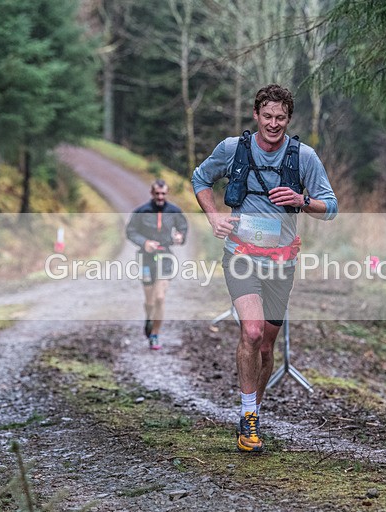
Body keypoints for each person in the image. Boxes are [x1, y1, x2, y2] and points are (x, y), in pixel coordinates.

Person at [191, 84, 338, 452]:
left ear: (289, 119)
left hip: (281, 262)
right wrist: (213, 218)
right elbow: (200, 179)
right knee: (252, 332)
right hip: (240, 255)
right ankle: (248, 420)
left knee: (267, 348)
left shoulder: (303, 156)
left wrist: (303, 200)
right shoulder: (232, 149)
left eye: (281, 118)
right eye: (267, 116)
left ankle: (253, 411)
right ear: (256, 115)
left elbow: (331, 206)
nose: (273, 124)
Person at [126, 179, 188, 350]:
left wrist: (180, 237)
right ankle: (149, 317)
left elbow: (183, 227)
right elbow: (130, 231)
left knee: (160, 297)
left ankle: (155, 334)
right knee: (149, 300)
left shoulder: (174, 211)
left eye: (163, 194)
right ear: (152, 193)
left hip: (165, 257)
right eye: (157, 194)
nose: (160, 197)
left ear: (166, 194)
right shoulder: (142, 211)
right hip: (145, 258)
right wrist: (144, 242)